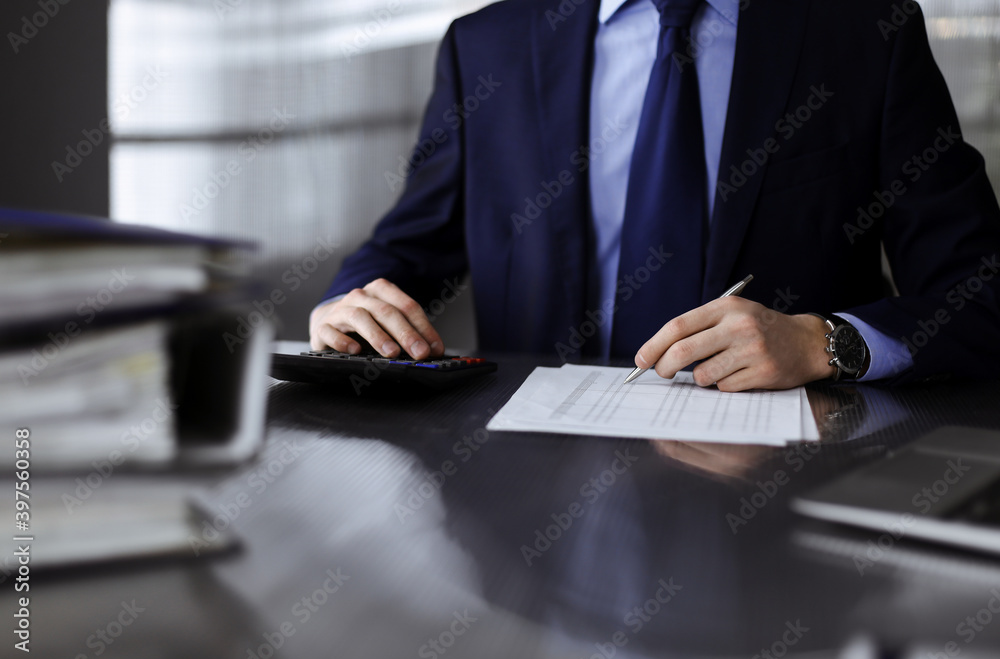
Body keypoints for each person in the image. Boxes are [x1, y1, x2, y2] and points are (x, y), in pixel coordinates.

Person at [310, 0, 1000, 390]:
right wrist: (351, 308)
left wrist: (826, 341)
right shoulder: (485, 48)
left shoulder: (864, 34)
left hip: (784, 508)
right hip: (527, 496)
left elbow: (980, 295)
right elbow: (403, 253)